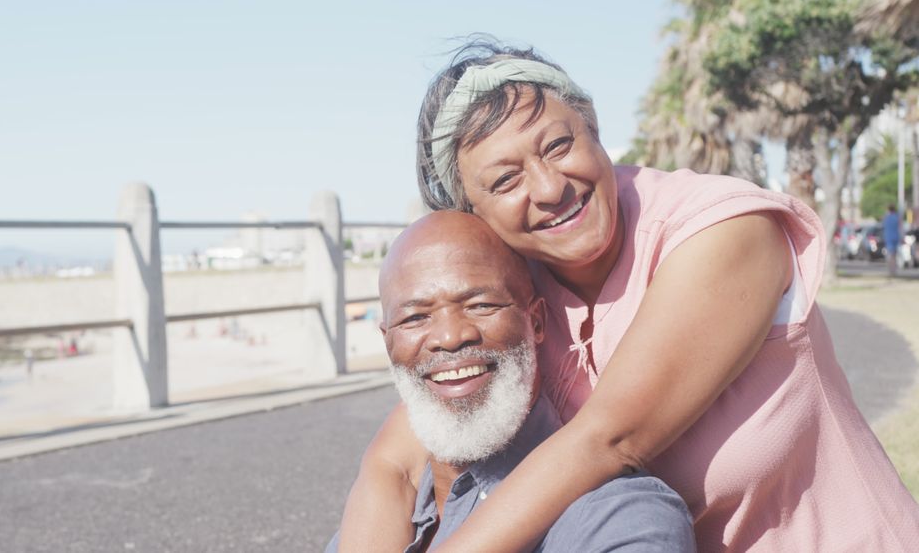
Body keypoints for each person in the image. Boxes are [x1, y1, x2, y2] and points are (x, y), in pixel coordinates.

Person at [337, 40, 919, 552]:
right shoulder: (523, 287)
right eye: (505, 180)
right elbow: (393, 461)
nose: (549, 187)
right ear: (477, 216)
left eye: (558, 144)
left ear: (591, 124)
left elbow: (610, 439)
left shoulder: (723, 231)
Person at [328, 211, 695, 552]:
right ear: (387, 340)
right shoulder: (381, 513)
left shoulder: (615, 517)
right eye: (414, 318)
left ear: (535, 322)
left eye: (480, 305)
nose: (450, 336)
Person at [885, 204, 902, 277]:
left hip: (889, 238)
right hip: (896, 238)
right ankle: (894, 271)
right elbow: (900, 228)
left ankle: (890, 271)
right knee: (894, 255)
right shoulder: (897, 217)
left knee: (890, 255)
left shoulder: (887, 218)